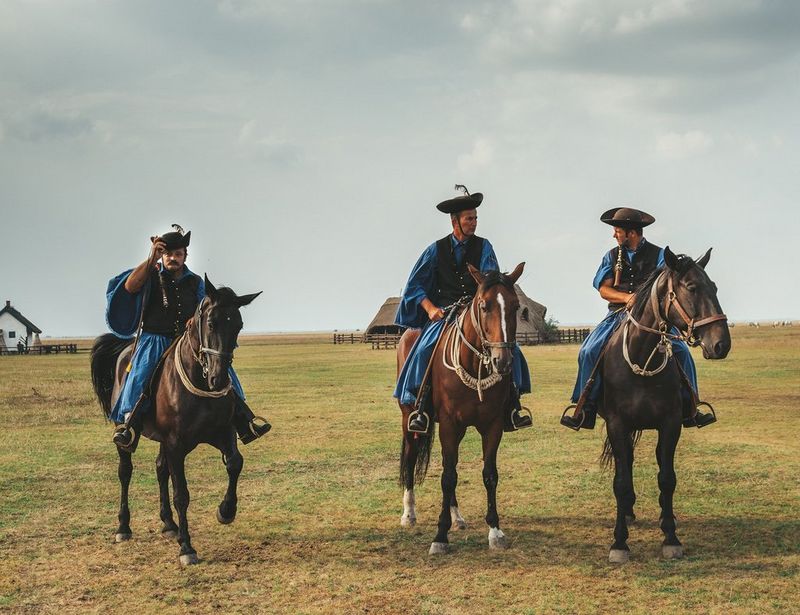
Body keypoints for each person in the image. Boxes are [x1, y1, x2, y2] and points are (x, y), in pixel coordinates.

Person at [106, 225, 271, 450]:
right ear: (161, 255)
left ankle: (244, 419)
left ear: (185, 256)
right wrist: (150, 258)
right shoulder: (150, 274)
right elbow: (130, 286)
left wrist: (196, 319)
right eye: (168, 254)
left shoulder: (195, 282)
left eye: (178, 254)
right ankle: (129, 425)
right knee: (141, 375)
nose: (173, 258)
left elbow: (206, 306)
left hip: (188, 341)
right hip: (155, 340)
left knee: (225, 372)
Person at [561, 207, 716, 430]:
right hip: (617, 314)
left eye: (617, 231)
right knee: (588, 350)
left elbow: (669, 281)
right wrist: (626, 298)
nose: (614, 235)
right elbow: (604, 289)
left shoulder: (660, 254)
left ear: (631, 233)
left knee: (682, 353)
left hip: (655, 317)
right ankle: (585, 407)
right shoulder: (611, 256)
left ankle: (691, 407)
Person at [394, 187, 532, 433]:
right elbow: (414, 286)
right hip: (444, 313)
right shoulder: (435, 250)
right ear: (454, 221)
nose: (474, 223)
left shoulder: (485, 247)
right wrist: (430, 309)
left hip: (476, 312)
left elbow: (490, 280)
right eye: (469, 218)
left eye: (476, 218)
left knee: (511, 349)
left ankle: (513, 405)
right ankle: (420, 406)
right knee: (424, 347)